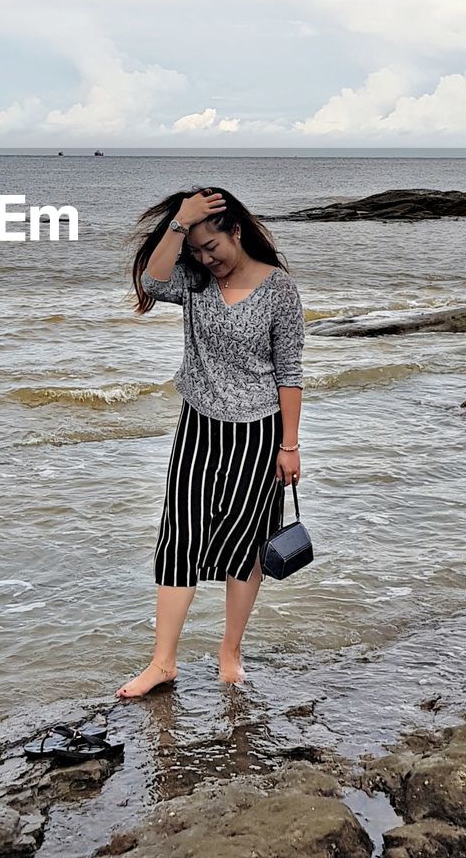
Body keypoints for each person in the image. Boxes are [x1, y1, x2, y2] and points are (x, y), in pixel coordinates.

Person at [115, 185, 305, 695]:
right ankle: (163, 663)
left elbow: (290, 372)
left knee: (246, 546)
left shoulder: (278, 289)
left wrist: (290, 445)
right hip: (198, 424)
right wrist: (180, 223)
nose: (206, 259)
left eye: (212, 247)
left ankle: (230, 650)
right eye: (196, 251)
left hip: (259, 434)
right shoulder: (194, 283)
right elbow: (153, 283)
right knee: (179, 537)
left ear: (235, 232)